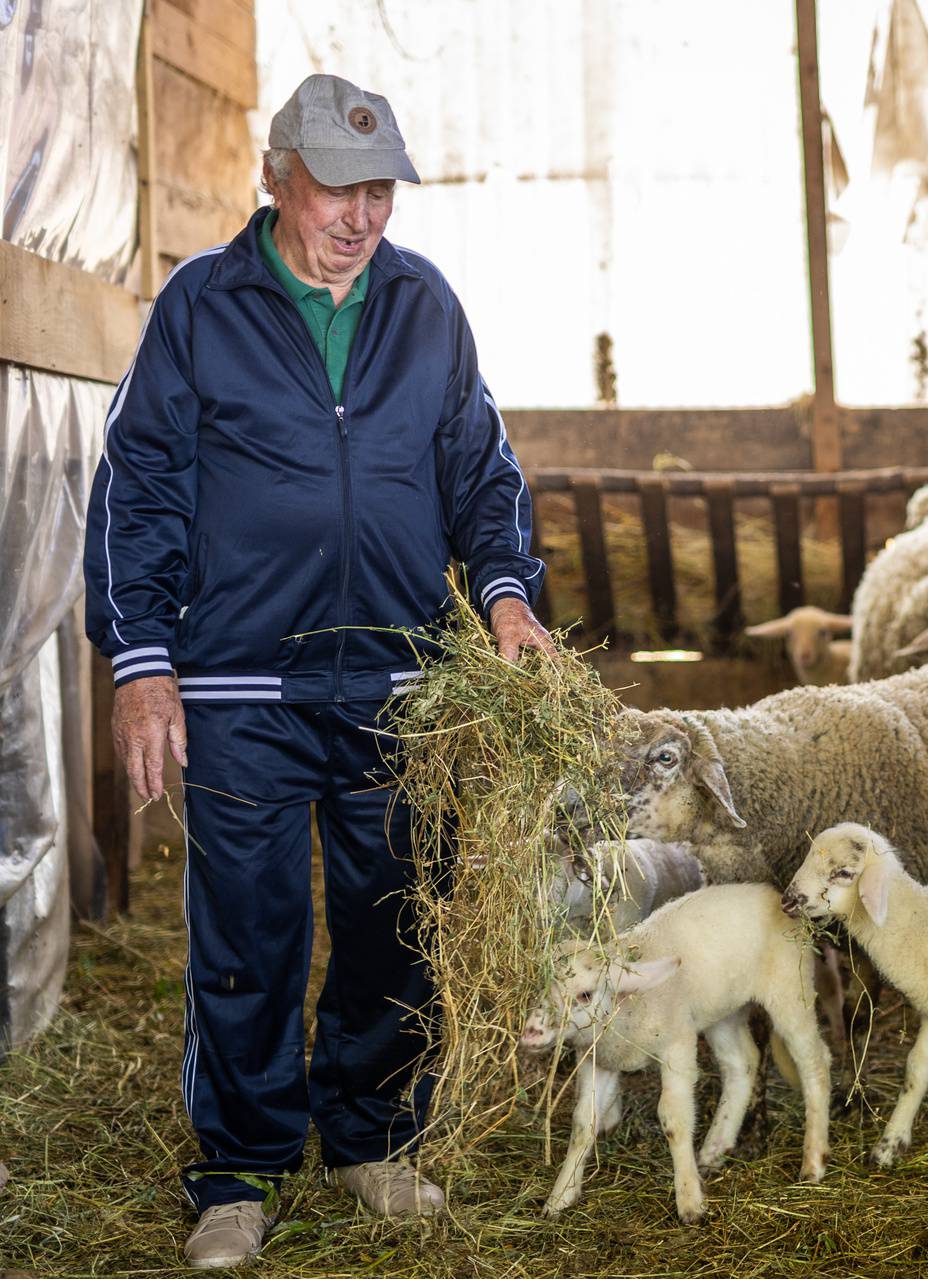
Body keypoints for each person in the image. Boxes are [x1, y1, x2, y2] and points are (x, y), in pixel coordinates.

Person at [82, 73, 551, 1269]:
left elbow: (481, 474)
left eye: (379, 188)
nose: (363, 213)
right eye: (339, 187)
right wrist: (143, 666)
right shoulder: (201, 306)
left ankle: (372, 1138)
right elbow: (137, 491)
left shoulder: (425, 307)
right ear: (276, 180)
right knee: (248, 933)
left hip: (401, 688)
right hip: (242, 687)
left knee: (399, 920)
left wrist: (505, 596)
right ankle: (237, 1173)